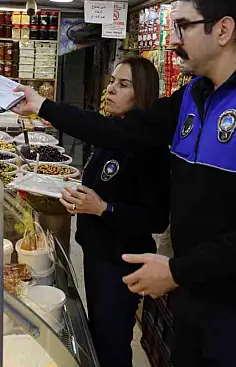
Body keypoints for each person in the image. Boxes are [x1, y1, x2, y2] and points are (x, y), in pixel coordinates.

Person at [12, 0, 236, 366]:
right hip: (199, 293)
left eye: (182, 25)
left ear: (223, 29)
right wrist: (42, 107)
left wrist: (178, 270)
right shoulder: (195, 94)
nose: (172, 38)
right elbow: (121, 132)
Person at [60, 55, 169, 367]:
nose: (110, 90)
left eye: (123, 85)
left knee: (112, 345)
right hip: (97, 254)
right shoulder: (111, 136)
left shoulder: (150, 150)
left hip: (121, 264)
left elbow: (156, 218)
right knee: (99, 336)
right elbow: (104, 187)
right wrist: (77, 194)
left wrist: (103, 208)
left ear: (142, 95)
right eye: (111, 81)